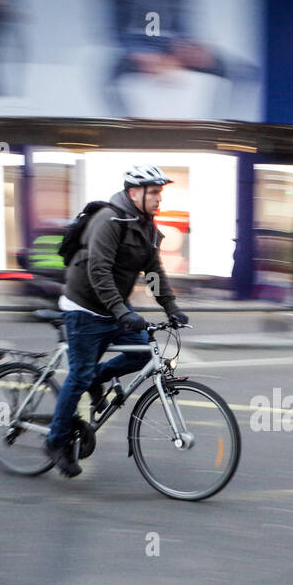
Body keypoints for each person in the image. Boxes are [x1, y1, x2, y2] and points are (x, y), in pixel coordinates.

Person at [43, 165, 189, 477]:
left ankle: (99, 376)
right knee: (79, 376)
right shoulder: (109, 220)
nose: (159, 198)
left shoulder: (147, 227)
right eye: (154, 192)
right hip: (83, 307)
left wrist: (171, 308)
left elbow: (154, 273)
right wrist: (122, 311)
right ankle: (56, 442)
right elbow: (99, 269)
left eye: (160, 192)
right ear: (134, 193)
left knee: (140, 353)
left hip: (112, 309)